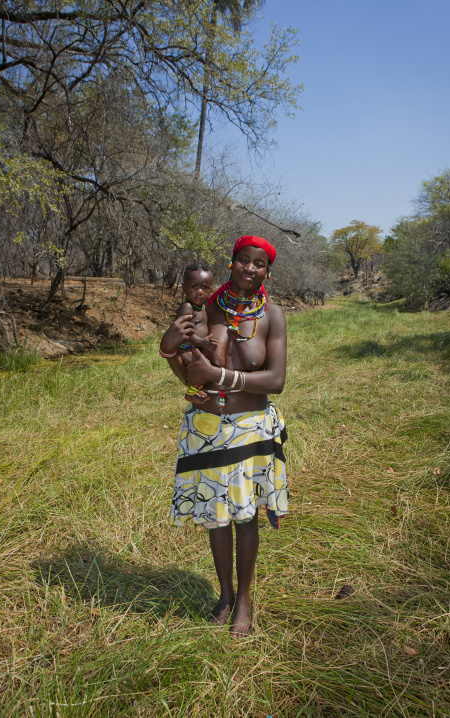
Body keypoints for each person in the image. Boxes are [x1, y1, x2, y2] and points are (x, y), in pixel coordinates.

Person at [159, 236, 288, 637]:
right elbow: (185, 363)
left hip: (250, 428)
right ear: (230, 264)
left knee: (245, 518)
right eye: (243, 261)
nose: (250, 269)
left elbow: (276, 380)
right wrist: (169, 352)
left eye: (259, 264)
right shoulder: (206, 307)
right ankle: (225, 594)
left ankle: (245, 601)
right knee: (217, 519)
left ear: (267, 271)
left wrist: (221, 376)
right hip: (207, 429)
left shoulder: (273, 316)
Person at [164, 263, 218, 404]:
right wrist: (201, 341)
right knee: (201, 367)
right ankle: (191, 393)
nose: (200, 291)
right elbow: (185, 331)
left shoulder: (203, 308)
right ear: (184, 287)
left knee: (206, 367)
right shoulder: (187, 307)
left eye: (205, 288)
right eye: (194, 286)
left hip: (195, 348)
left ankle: (198, 389)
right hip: (186, 348)